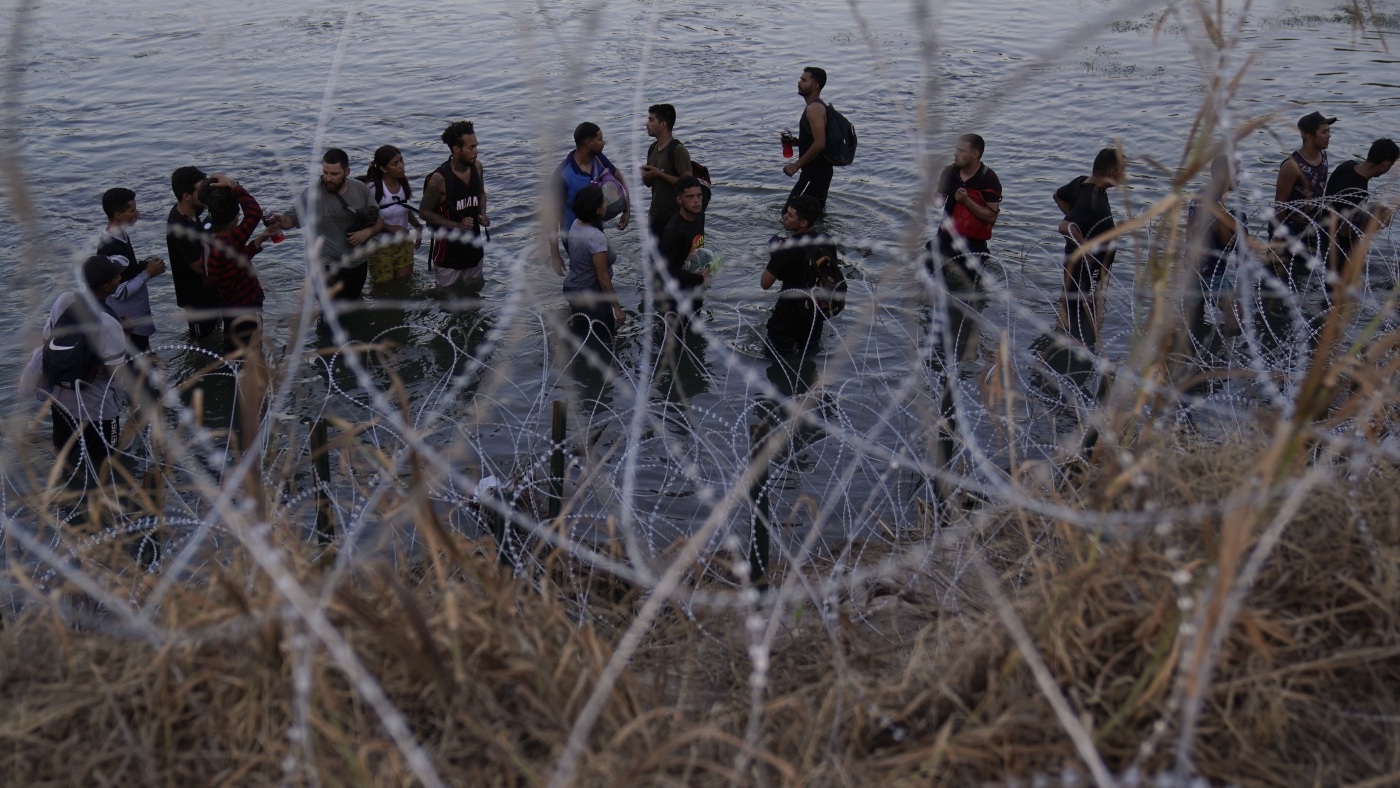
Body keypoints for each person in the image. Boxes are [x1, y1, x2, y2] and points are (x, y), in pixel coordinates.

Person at [19, 255, 129, 485]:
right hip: (98, 410)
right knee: (106, 463)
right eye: (116, 276)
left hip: (61, 403)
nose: (120, 278)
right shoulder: (109, 323)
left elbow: (47, 342)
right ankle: (102, 510)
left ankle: (68, 504)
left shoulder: (63, 301)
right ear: (107, 286)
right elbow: (114, 374)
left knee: (67, 460)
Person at [266, 148, 382, 300]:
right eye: (325, 172)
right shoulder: (312, 194)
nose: (328, 178)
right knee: (330, 312)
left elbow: (379, 221)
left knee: (352, 305)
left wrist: (366, 233)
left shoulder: (360, 189)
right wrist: (279, 219)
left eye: (334, 174)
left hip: (357, 263)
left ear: (347, 172)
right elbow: (290, 221)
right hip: (324, 265)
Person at [927, 133, 1003, 360]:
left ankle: (968, 328)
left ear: (975, 154)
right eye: (956, 150)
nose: (956, 154)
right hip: (945, 238)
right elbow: (938, 202)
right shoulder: (949, 172)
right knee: (930, 276)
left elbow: (991, 218)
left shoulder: (988, 179)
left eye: (961, 151)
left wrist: (967, 201)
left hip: (973, 243)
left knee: (970, 292)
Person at [1054, 147, 1124, 353]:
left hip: (1078, 265)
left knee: (1069, 306)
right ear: (1112, 173)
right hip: (1086, 270)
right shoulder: (1092, 201)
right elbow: (1064, 226)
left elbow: (1057, 196)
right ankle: (1077, 354)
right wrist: (1085, 248)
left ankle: (1063, 345)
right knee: (1084, 315)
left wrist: (1076, 221)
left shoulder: (1081, 182)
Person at [1184, 154, 1242, 367]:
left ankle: (1192, 360)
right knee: (1236, 317)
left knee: (1191, 322)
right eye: (1237, 172)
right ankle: (1220, 358)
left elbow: (1189, 230)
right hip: (1212, 272)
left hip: (1193, 269)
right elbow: (1228, 241)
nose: (1240, 177)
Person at [550, 122, 630, 275]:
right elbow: (551, 219)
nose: (603, 142)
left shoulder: (598, 158)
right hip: (574, 238)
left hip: (596, 229)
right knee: (590, 278)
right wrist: (555, 255)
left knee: (605, 271)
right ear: (589, 143)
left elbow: (621, 178)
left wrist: (627, 209)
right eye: (600, 139)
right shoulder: (563, 176)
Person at [199, 175, 267, 351]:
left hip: (229, 308)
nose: (239, 217)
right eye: (237, 214)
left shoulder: (209, 239)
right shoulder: (230, 239)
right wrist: (234, 186)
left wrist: (257, 242)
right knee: (252, 355)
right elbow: (254, 213)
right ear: (231, 219)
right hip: (247, 307)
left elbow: (227, 267)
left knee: (234, 352)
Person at [762, 195, 835, 357]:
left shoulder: (786, 248)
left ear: (803, 222)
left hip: (787, 320)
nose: (784, 217)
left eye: (790, 215)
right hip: (815, 316)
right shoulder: (826, 240)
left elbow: (765, 283)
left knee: (775, 363)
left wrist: (775, 255)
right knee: (807, 361)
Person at [420, 122, 489, 289]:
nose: (476, 151)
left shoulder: (477, 167)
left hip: (474, 248)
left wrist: (482, 214)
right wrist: (457, 225)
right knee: (446, 300)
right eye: (471, 147)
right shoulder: (439, 179)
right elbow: (424, 212)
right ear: (456, 149)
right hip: (448, 255)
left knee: (475, 292)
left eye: (476, 146)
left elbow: (481, 194)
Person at [98, 187, 167, 352]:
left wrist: (144, 265)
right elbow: (119, 292)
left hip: (136, 319)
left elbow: (127, 273)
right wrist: (147, 273)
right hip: (129, 321)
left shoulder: (121, 236)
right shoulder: (111, 247)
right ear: (118, 215)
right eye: (132, 210)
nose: (137, 213)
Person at [1272, 111, 1335, 288]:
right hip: (1288, 231)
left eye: (1328, 131)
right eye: (1324, 132)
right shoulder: (1292, 166)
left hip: (1311, 229)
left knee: (1302, 281)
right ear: (1308, 136)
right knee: (1277, 281)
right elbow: (1280, 204)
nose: (1329, 135)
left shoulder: (1324, 156)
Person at [1324, 137, 1397, 285]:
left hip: (1324, 233)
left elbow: (1341, 204)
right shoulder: (1359, 191)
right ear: (1385, 164)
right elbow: (1345, 231)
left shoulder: (1346, 166)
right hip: (1338, 248)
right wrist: (1376, 224)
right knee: (1338, 295)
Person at [563, 185, 625, 342]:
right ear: (597, 209)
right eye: (603, 202)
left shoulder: (576, 224)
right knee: (606, 338)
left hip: (572, 288)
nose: (606, 204)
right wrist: (617, 308)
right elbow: (603, 278)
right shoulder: (595, 237)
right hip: (591, 295)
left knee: (584, 333)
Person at [166, 166, 221, 339]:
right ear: (186, 197)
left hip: (209, 292)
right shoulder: (179, 228)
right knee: (202, 342)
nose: (204, 194)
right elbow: (199, 266)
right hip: (196, 299)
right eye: (201, 191)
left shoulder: (194, 210)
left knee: (215, 333)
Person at [364, 144, 423, 288]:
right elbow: (366, 218)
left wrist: (418, 226)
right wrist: (390, 227)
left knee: (404, 282)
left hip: (403, 243)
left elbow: (403, 209)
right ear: (384, 168)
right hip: (380, 246)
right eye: (395, 164)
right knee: (384, 287)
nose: (401, 166)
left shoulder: (403, 184)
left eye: (402, 161)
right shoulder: (372, 188)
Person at [782, 66, 833, 212]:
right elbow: (816, 140)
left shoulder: (814, 109)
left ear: (815, 85)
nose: (799, 82)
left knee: (790, 214)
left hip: (815, 173)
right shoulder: (817, 107)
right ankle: (821, 235)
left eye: (804, 80)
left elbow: (820, 143)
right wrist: (797, 142)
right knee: (812, 216)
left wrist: (796, 165)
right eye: (800, 79)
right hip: (820, 172)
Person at [640, 103, 693, 241]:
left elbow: (688, 184)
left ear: (663, 124)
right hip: (655, 215)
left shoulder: (678, 150)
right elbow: (649, 184)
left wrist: (659, 174)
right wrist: (646, 175)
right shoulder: (652, 148)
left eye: (651, 120)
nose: (646, 124)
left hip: (675, 216)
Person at [658, 176, 710, 312]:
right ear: (679, 200)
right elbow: (665, 270)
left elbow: (697, 249)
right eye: (690, 197)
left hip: (695, 285)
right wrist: (697, 278)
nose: (696, 201)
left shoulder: (700, 216)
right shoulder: (672, 232)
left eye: (699, 196)